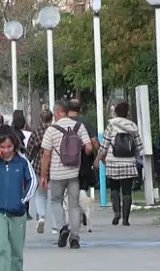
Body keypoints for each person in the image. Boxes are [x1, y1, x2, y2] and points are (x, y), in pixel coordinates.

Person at [0, 125, 37, 271]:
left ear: (14, 144)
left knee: (16, 252)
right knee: (2, 246)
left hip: (17, 212)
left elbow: (33, 181)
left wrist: (23, 201)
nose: (6, 150)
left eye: (9, 146)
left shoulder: (22, 161)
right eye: (2, 147)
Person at [40, 100, 92, 249]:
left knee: (55, 201)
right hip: (74, 173)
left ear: (57, 112)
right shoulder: (79, 127)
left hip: (56, 174)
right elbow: (88, 148)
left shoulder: (51, 130)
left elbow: (46, 156)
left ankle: (63, 227)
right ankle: (74, 238)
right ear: (68, 112)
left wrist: (43, 176)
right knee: (74, 205)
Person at [94, 102, 143, 226]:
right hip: (129, 163)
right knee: (127, 192)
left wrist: (99, 158)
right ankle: (126, 219)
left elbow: (104, 145)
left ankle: (117, 213)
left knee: (114, 188)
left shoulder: (111, 126)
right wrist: (136, 159)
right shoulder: (133, 127)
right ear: (127, 113)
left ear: (116, 112)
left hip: (113, 163)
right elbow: (139, 146)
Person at [26, 109, 54, 233]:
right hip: (55, 167)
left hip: (39, 166)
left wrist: (28, 162)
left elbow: (30, 151)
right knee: (54, 198)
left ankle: (41, 216)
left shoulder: (36, 133)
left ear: (41, 119)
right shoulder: (56, 132)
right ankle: (55, 226)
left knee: (40, 195)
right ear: (51, 119)